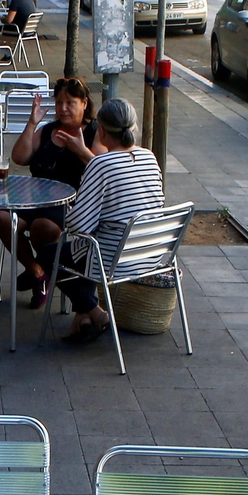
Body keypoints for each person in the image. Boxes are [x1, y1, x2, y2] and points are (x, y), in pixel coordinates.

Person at [54, 98, 165, 342]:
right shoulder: (149, 157)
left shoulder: (101, 164)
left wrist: (73, 210)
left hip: (115, 260)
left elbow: (79, 227)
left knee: (50, 253)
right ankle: (84, 316)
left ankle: (96, 313)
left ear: (101, 130)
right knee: (84, 248)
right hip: (152, 254)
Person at [0, 76, 97, 308]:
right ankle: (38, 272)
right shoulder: (48, 129)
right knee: (2, 219)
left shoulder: (93, 132)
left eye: (70, 102)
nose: (63, 108)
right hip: (33, 197)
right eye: (59, 102)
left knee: (44, 228)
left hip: (68, 202)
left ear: (84, 103)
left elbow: (102, 168)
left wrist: (81, 151)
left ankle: (42, 273)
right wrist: (32, 124)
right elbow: (19, 158)